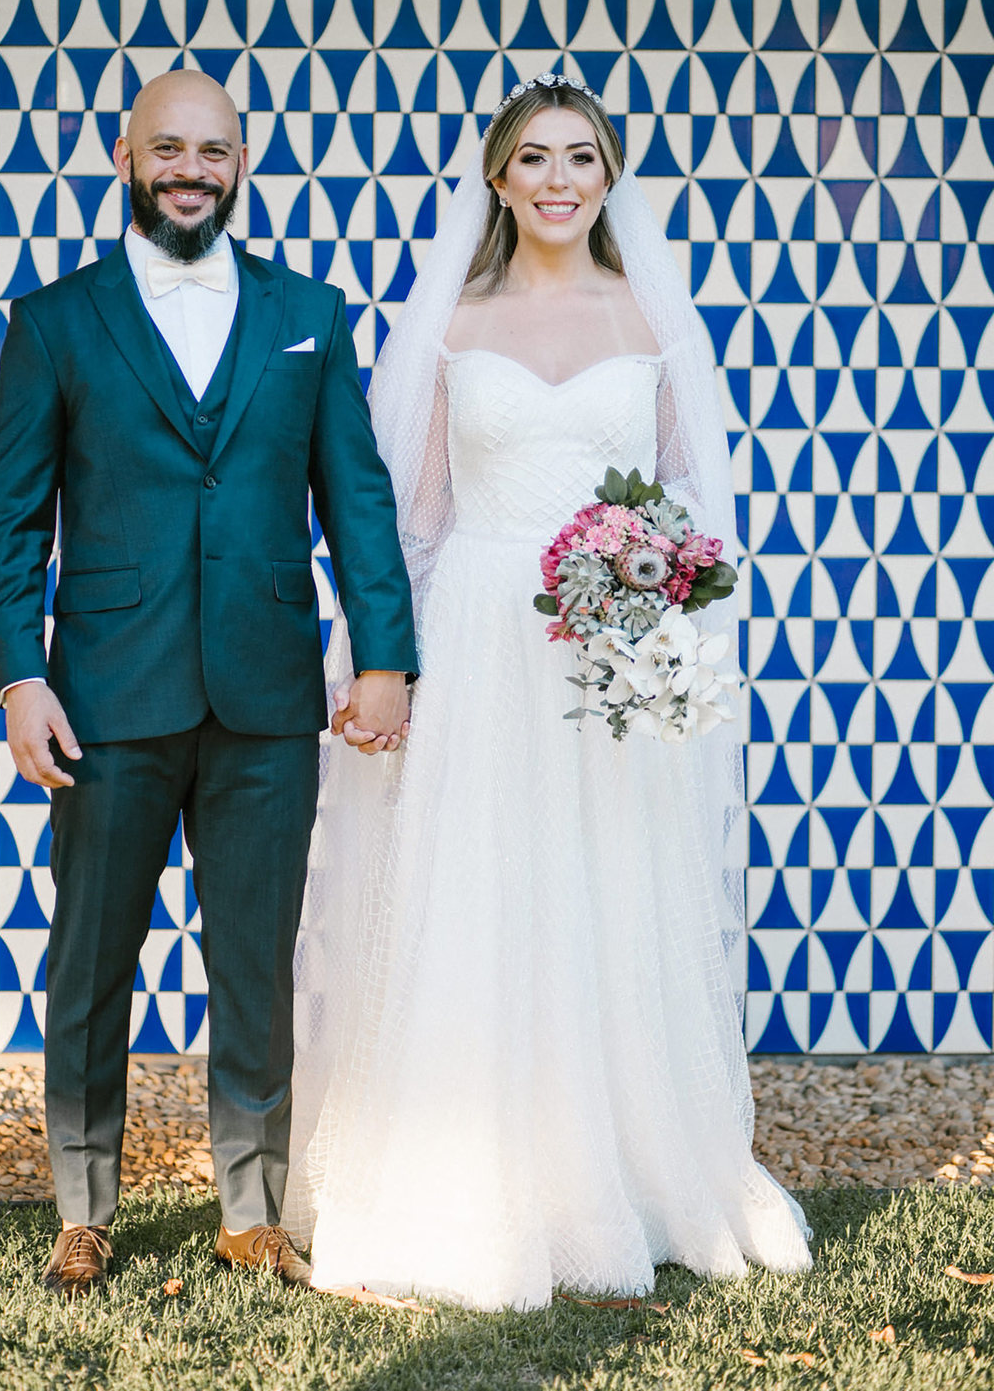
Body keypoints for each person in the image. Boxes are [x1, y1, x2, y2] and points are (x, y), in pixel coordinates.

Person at [283, 73, 813, 1310]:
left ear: (610, 176)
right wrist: (382, 670)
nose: (560, 179)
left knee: (606, 888)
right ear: (499, 180)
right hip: (478, 636)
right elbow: (407, 520)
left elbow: (692, 505)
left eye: (581, 156)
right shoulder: (451, 325)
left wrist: (659, 598)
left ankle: (624, 1170)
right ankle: (464, 1173)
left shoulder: (651, 319)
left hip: (608, 654)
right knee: (478, 889)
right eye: (534, 159)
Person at [0, 69, 417, 1297]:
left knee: (256, 963)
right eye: (166, 147)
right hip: (104, 696)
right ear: (125, 159)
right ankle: (82, 1206)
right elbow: (10, 522)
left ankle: (251, 1207)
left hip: (269, 696)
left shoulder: (309, 314)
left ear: (241, 160)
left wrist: (383, 657)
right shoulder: (54, 319)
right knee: (90, 958)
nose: (190, 168)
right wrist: (20, 677)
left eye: (212, 150)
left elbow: (359, 500)